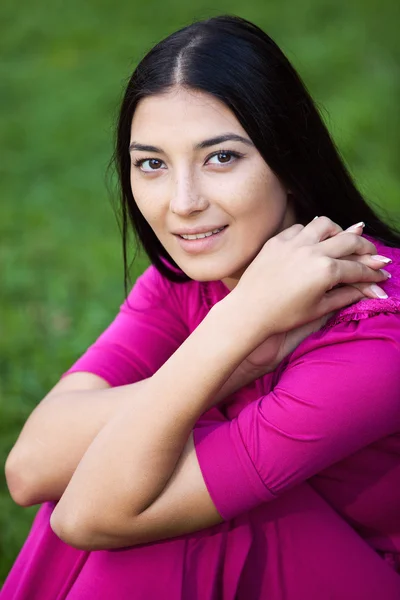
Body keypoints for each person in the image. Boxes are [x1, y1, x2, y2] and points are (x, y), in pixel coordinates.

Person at [2, 14, 400, 600]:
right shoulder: (189, 280)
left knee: (159, 502)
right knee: (136, 458)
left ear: (289, 160)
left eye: (220, 158)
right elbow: (30, 468)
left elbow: (86, 516)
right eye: (153, 164)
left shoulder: (375, 332)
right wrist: (237, 345)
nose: (182, 204)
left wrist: (228, 332)